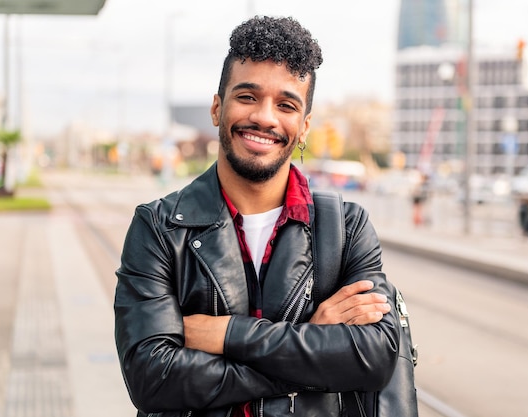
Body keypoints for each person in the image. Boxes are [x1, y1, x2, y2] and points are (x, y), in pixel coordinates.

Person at [114, 16, 401, 417]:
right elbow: (153, 379)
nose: (265, 118)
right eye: (247, 97)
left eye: (286, 105)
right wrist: (312, 346)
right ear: (217, 108)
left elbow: (374, 356)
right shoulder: (160, 228)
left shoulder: (346, 227)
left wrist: (228, 334)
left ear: (303, 128)